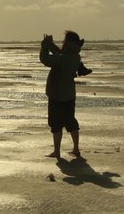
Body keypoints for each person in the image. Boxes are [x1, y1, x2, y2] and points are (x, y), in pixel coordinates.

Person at [39, 30, 84, 158]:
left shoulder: (64, 58)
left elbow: (45, 59)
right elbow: (60, 55)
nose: (63, 42)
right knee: (71, 122)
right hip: (69, 95)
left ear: (68, 43)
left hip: (57, 95)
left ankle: (57, 151)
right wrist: (51, 45)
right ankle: (76, 149)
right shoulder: (75, 55)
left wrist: (45, 45)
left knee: (56, 124)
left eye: (64, 40)